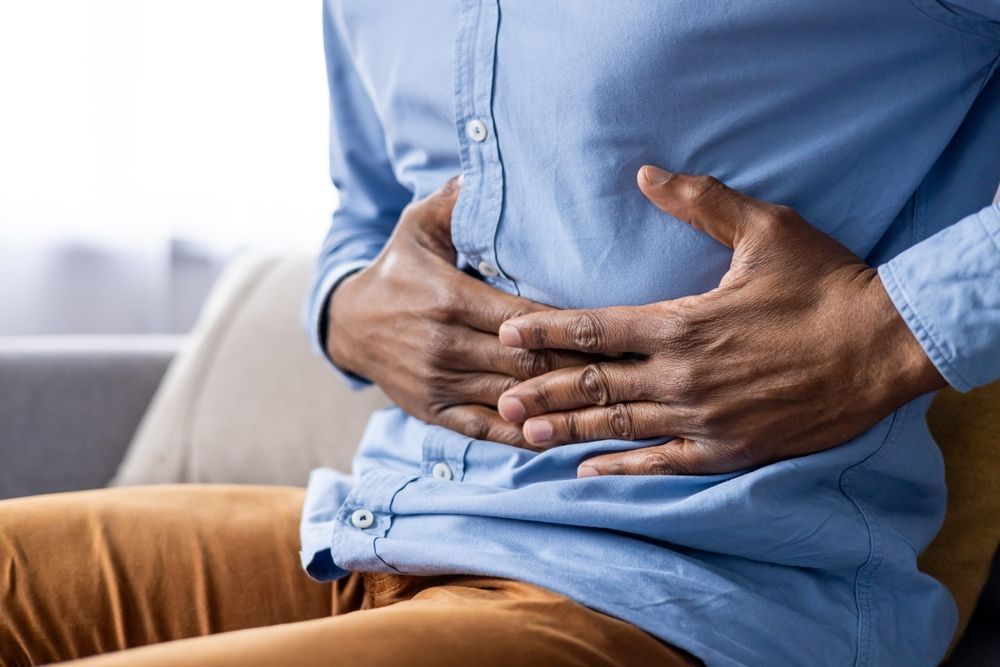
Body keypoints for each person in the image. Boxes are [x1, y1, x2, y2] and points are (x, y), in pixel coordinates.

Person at [2, 2, 998, 665]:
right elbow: (369, 201)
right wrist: (350, 307)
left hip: (688, 589)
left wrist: (886, 329)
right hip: (381, 521)